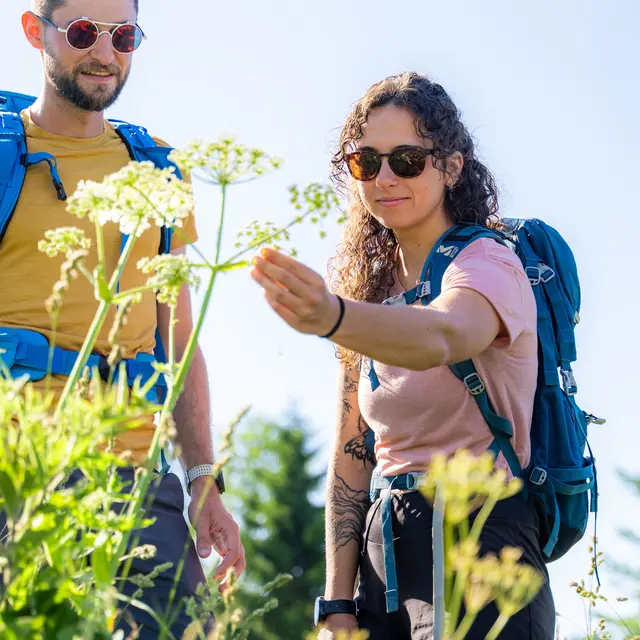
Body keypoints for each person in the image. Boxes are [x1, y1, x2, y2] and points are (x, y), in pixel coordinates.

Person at [251, 72, 556, 639]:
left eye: (408, 160)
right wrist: (336, 605)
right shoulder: (371, 290)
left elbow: (443, 335)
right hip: (381, 554)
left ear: (452, 167)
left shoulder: (487, 264)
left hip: (482, 542)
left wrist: (332, 318)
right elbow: (352, 454)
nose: (385, 177)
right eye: (367, 162)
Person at [0, 1, 244, 637]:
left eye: (124, 35)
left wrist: (201, 479)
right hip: (16, 472)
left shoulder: (158, 171)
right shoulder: (7, 154)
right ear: (36, 31)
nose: (105, 53)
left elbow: (179, 338)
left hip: (135, 480)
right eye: (83, 33)